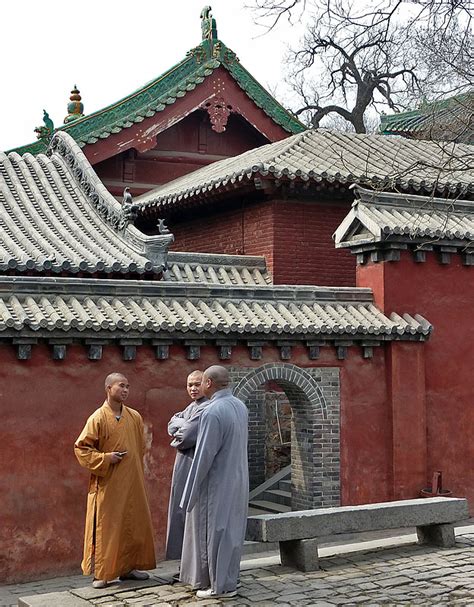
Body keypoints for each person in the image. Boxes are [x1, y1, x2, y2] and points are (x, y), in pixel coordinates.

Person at [74, 373, 156, 588]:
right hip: (108, 483)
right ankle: (102, 573)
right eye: (121, 386)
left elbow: (139, 447)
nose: (126, 390)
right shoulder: (98, 418)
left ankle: (129, 568)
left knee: (131, 523)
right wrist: (105, 458)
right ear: (108, 388)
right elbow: (81, 449)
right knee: (107, 527)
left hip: (131, 480)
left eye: (128, 386)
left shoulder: (134, 416)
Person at [179, 365, 249, 599]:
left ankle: (219, 586)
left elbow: (204, 455)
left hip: (217, 482)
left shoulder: (212, 412)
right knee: (232, 531)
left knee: (214, 531)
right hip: (238, 479)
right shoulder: (240, 406)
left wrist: (189, 492)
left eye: (201, 383)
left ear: (208, 383)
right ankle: (231, 579)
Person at [166, 370, 209, 561]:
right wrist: (182, 425)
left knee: (194, 513)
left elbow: (184, 437)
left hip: (195, 463)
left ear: (207, 384)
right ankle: (182, 562)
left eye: (197, 384)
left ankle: (194, 563)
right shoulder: (191, 408)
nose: (193, 388)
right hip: (183, 464)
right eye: (189, 384)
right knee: (180, 511)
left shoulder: (207, 408)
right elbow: (170, 426)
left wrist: (180, 426)